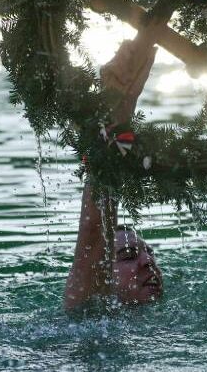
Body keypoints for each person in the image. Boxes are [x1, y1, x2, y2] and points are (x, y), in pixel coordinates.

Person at [63, 22, 165, 313]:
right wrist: (120, 110)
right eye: (129, 255)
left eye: (149, 253)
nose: (148, 262)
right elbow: (95, 231)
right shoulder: (89, 315)